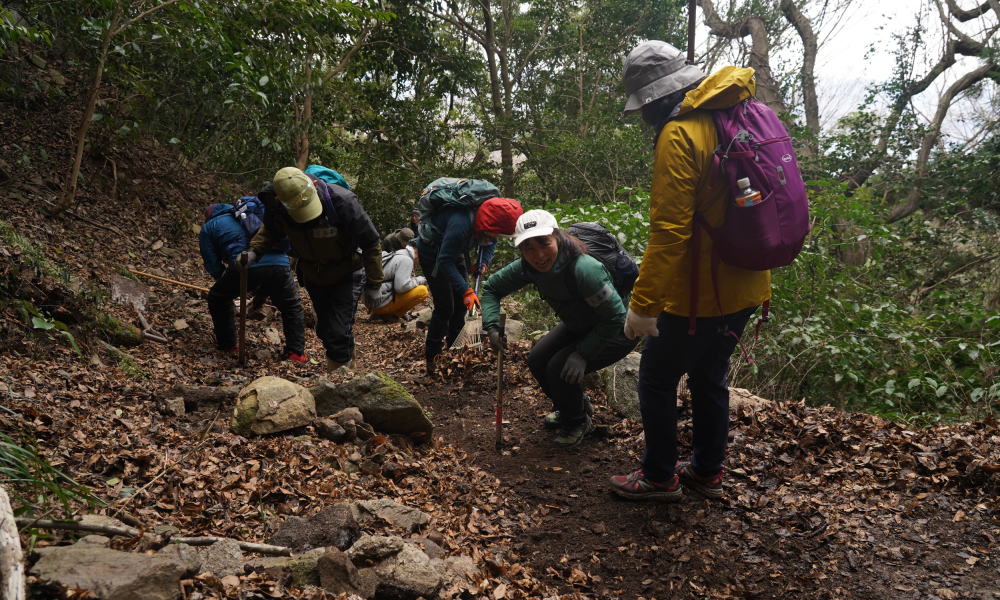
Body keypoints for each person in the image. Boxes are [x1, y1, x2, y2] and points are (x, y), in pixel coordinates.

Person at [608, 41, 771, 501]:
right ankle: (706, 470)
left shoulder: (680, 133)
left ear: (654, 99)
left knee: (657, 378)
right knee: (709, 375)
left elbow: (670, 232)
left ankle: (659, 475)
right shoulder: (743, 113)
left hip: (700, 294)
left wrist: (643, 306)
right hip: (748, 281)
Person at [480, 210, 637, 447]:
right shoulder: (526, 267)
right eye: (528, 248)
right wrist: (492, 327)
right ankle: (573, 406)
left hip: (618, 331)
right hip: (580, 324)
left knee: (558, 368)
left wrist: (582, 354)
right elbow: (492, 288)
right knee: (537, 360)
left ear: (558, 237)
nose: (538, 255)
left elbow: (615, 317)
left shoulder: (585, 269)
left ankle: (577, 422)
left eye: (544, 243)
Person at [251, 166, 384, 372]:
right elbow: (270, 231)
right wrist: (254, 251)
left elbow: (371, 242)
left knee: (338, 331)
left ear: (313, 185)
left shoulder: (343, 202)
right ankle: (347, 359)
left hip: (347, 271)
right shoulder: (277, 206)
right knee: (324, 329)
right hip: (313, 273)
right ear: (279, 199)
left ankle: (340, 378)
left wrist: (375, 284)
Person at [415, 196, 522, 374]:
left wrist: (484, 261)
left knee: (461, 306)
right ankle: (432, 357)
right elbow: (444, 261)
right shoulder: (461, 224)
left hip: (455, 250)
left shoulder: (489, 224)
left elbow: (491, 241)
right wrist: (466, 290)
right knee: (445, 307)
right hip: (433, 254)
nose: (496, 236)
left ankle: (454, 351)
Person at [198, 202, 306, 362]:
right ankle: (296, 353)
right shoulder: (247, 215)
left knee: (218, 298)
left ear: (208, 216)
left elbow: (212, 263)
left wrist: (225, 280)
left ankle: (228, 345)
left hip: (245, 263)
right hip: (280, 262)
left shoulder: (209, 227)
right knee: (291, 305)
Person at [365, 228, 428, 320]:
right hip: (378, 303)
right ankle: (391, 314)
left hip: (372, 299)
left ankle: (381, 313)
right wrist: (420, 280)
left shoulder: (399, 253)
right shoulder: (406, 260)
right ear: (417, 252)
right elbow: (401, 287)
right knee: (422, 290)